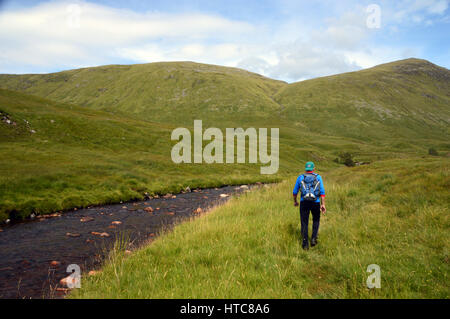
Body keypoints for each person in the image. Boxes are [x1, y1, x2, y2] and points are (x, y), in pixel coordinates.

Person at [292, 161, 326, 250]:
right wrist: (323, 204)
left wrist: (295, 201)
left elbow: (295, 192)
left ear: (305, 169)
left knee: (304, 222)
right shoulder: (318, 177)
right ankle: (314, 239)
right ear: (313, 169)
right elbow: (322, 192)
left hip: (304, 202)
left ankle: (305, 243)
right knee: (316, 219)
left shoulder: (300, 177)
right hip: (316, 202)